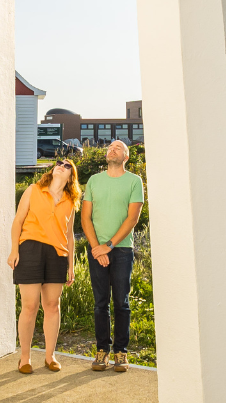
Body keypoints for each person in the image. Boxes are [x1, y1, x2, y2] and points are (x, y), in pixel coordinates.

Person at [9, 159, 80, 374]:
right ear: (53, 169)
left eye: (67, 165)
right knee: (30, 306)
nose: (61, 165)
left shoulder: (70, 201)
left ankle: (50, 357)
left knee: (52, 305)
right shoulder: (33, 190)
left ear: (71, 177)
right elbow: (18, 221)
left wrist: (71, 265)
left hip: (57, 254)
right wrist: (14, 250)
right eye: (59, 163)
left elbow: (69, 236)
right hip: (30, 249)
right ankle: (24, 358)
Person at [79, 141, 144, 372]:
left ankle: (121, 352)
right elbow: (85, 218)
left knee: (121, 303)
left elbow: (132, 219)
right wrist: (97, 247)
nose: (112, 149)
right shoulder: (94, 181)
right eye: (110, 147)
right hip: (98, 249)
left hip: (122, 250)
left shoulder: (134, 181)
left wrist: (109, 245)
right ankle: (102, 351)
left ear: (126, 156)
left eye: (118, 147)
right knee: (100, 303)